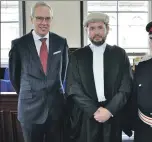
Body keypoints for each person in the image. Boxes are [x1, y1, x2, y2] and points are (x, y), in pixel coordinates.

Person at [66, 12, 133, 142]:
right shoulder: (77, 56)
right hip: (87, 115)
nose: (96, 32)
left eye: (100, 27)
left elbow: (126, 86)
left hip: (112, 114)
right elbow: (73, 88)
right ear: (87, 31)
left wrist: (109, 110)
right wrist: (94, 111)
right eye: (92, 28)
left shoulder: (119, 54)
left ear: (107, 29)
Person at [9, 2, 68, 142]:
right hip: (30, 110)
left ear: (51, 20)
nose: (44, 22)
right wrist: (30, 92)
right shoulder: (19, 45)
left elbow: (63, 72)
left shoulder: (61, 42)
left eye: (47, 19)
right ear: (31, 19)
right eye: (39, 18)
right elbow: (14, 77)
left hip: (56, 109)